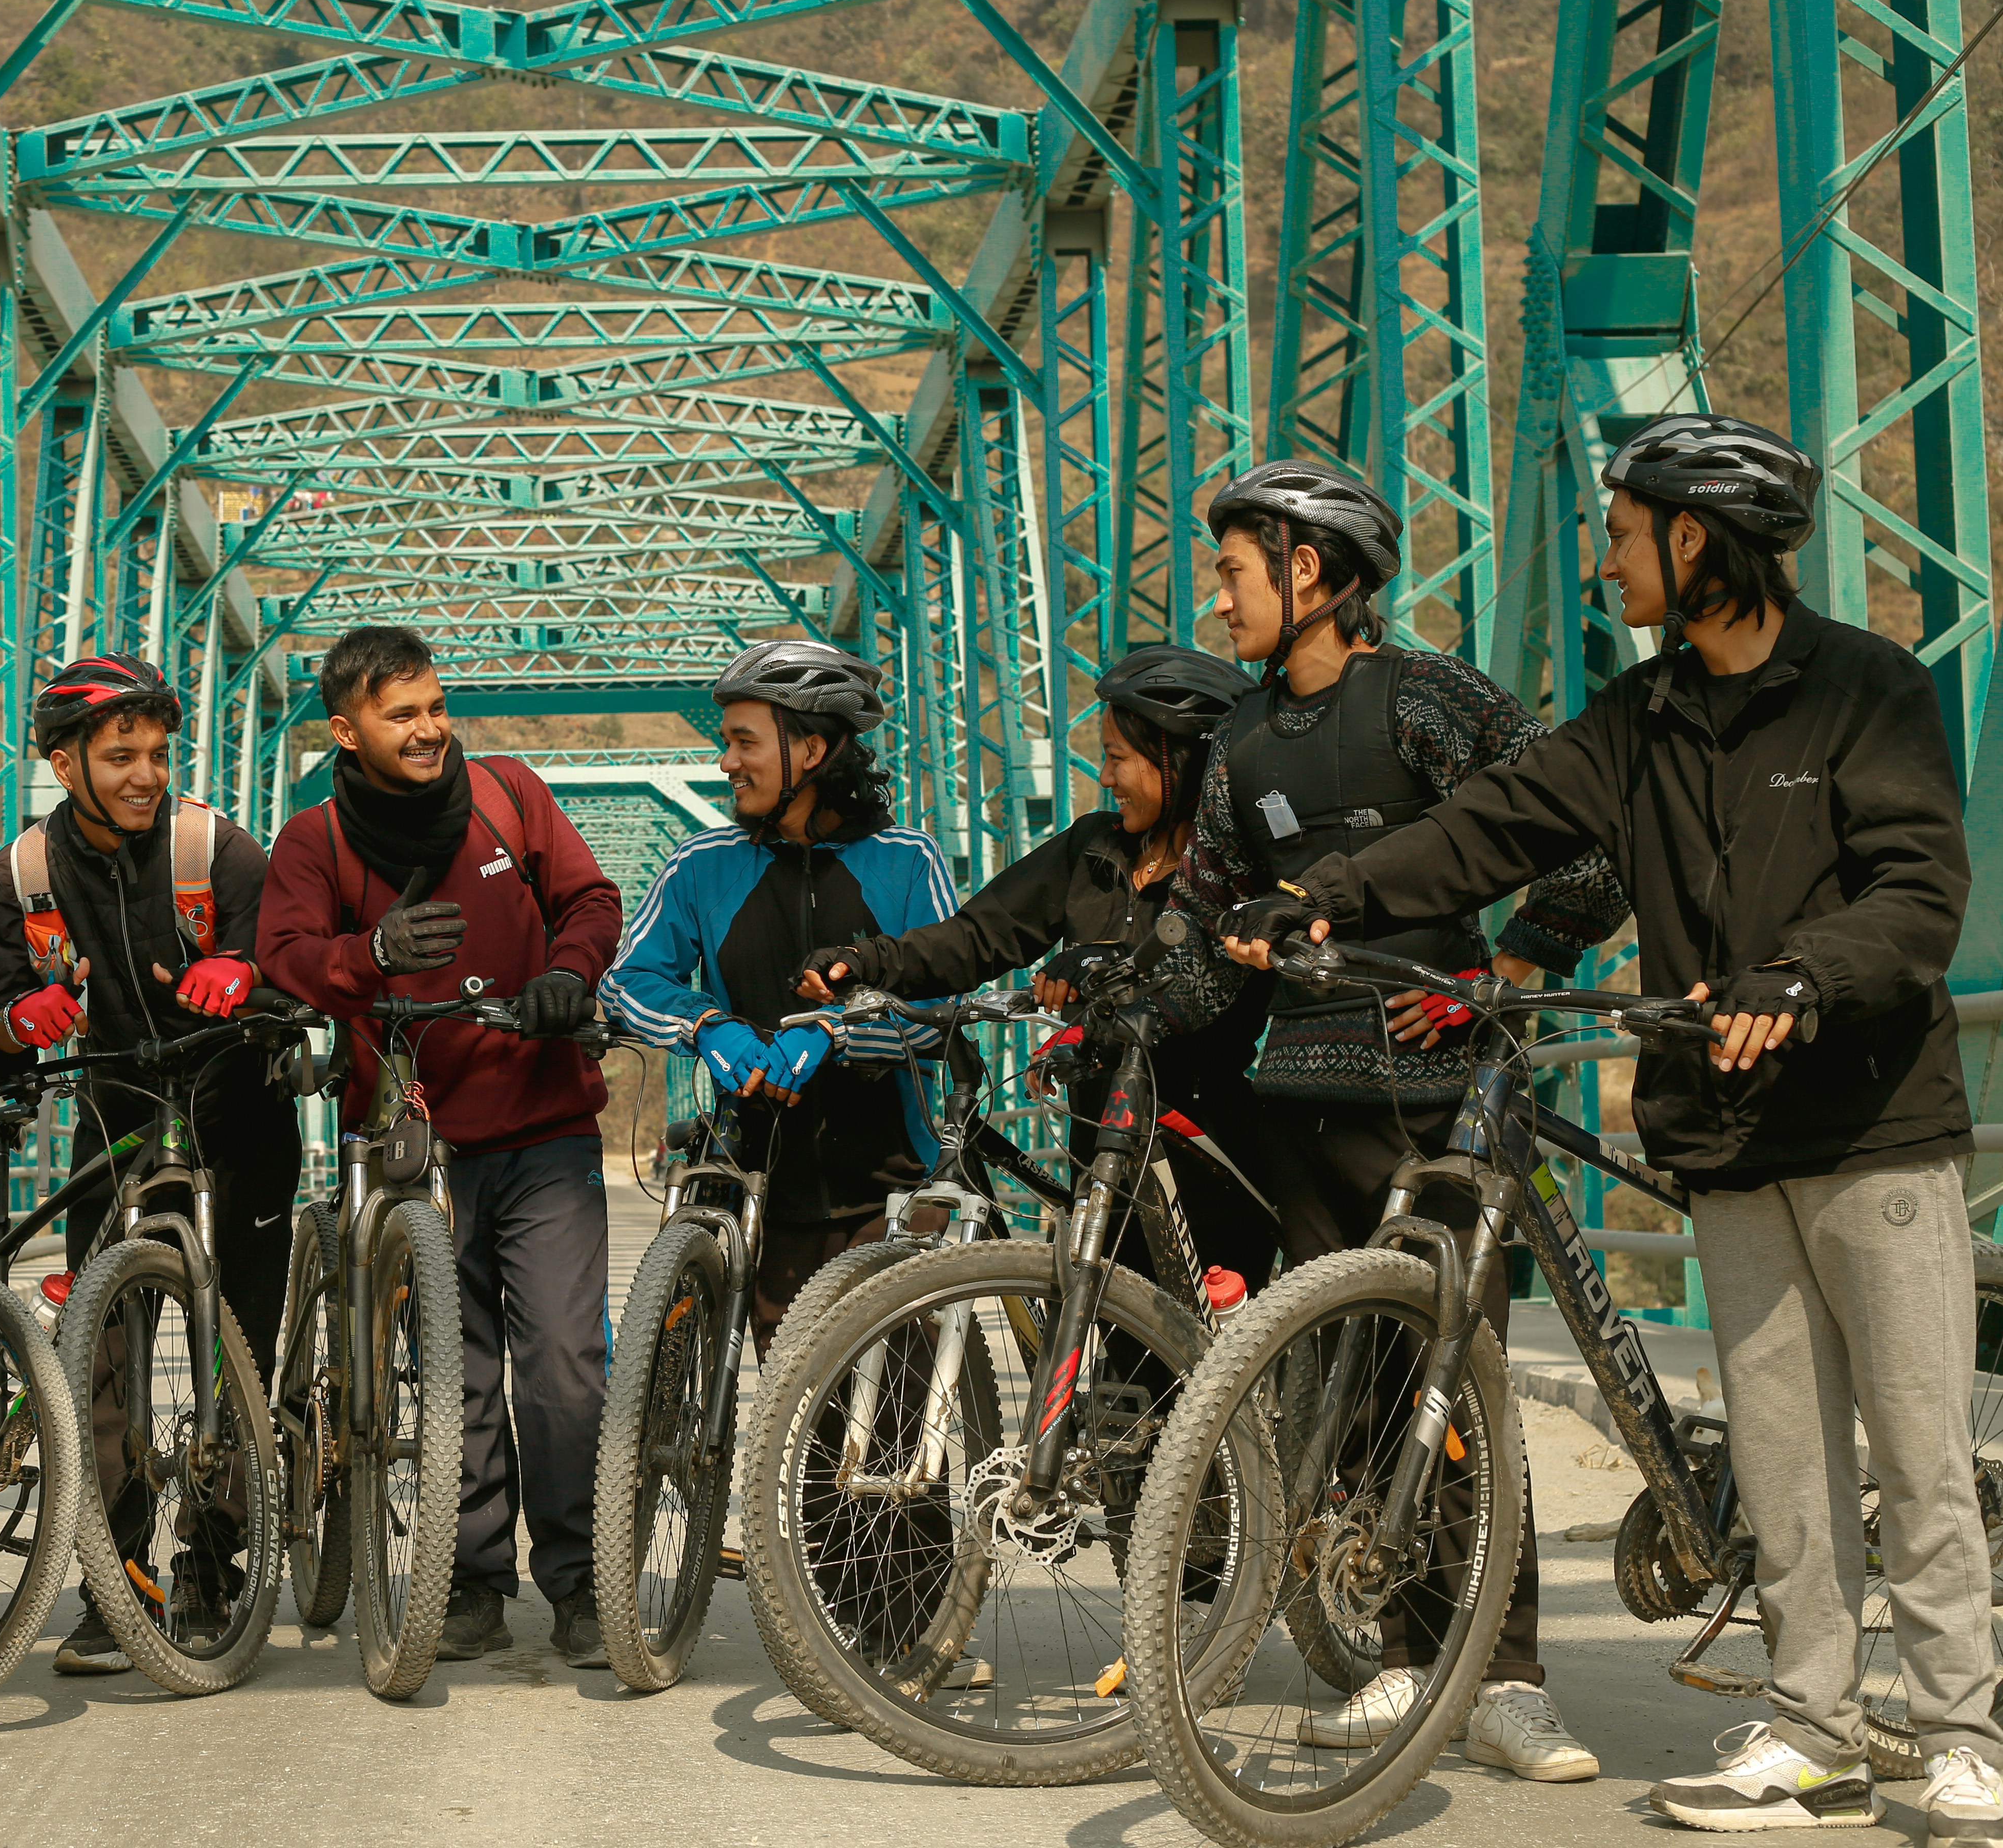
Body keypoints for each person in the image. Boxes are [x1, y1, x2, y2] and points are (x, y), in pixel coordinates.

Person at [1226, 414, 2002, 1840]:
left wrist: (1802, 974)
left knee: (1915, 1449)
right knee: (1786, 1464)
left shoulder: (1863, 691)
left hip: (1874, 1127)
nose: (1606, 562)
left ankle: (1968, 1736)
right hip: (1723, 1131)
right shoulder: (1638, 720)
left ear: (1693, 541)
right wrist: (1329, 896)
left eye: (1624, 536)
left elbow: (1914, 892)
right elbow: (1490, 829)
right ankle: (1818, 1730)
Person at [1162, 457, 1629, 1781]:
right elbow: (1203, 927)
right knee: (1364, 1397)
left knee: (1459, 1384)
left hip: (1443, 1096)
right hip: (1301, 1100)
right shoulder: (1237, 741)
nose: (1221, 593)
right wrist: (1133, 996)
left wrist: (1514, 969)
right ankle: (1418, 1660)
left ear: (1310, 572)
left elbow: (1585, 835)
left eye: (1236, 568)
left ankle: (1515, 1678)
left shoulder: (1432, 701)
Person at [256, 627, 624, 1666]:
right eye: (400, 714)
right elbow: (282, 961)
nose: (427, 729)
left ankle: (583, 1579)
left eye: (433, 706)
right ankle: (467, 1580)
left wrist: (571, 973)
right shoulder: (314, 841)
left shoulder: (511, 794)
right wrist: (363, 956)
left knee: (564, 1361)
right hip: (411, 1143)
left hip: (545, 1123)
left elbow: (591, 901)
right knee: (449, 1375)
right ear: (347, 729)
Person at [0, 652, 300, 1675]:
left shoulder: (219, 851)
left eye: (157, 753)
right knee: (100, 1358)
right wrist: (19, 1020)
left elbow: (292, 959)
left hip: (239, 1108)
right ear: (65, 765)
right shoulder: (18, 876)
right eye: (121, 756)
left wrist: (247, 971)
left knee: (238, 1341)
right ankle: (122, 1580)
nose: (147, 774)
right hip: (115, 1113)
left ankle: (217, 1561)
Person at [788, 643, 1296, 1298]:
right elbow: (978, 936)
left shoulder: (1237, 870)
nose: (1106, 778)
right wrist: (865, 960)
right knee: (1114, 1360)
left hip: (1203, 1149)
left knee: (1207, 1368)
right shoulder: (1094, 847)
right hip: (1100, 1144)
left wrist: (1097, 964)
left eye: (1118, 758)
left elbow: (1201, 971)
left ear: (1180, 759)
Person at [600, 640, 964, 1349]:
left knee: (900, 1427)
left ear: (814, 750)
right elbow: (627, 981)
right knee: (796, 1432)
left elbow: (942, 1010)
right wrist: (707, 1027)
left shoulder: (907, 860)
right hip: (762, 1187)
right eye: (726, 742)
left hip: (894, 1188)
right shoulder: (702, 866)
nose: (726, 763)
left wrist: (839, 1032)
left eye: (744, 742)